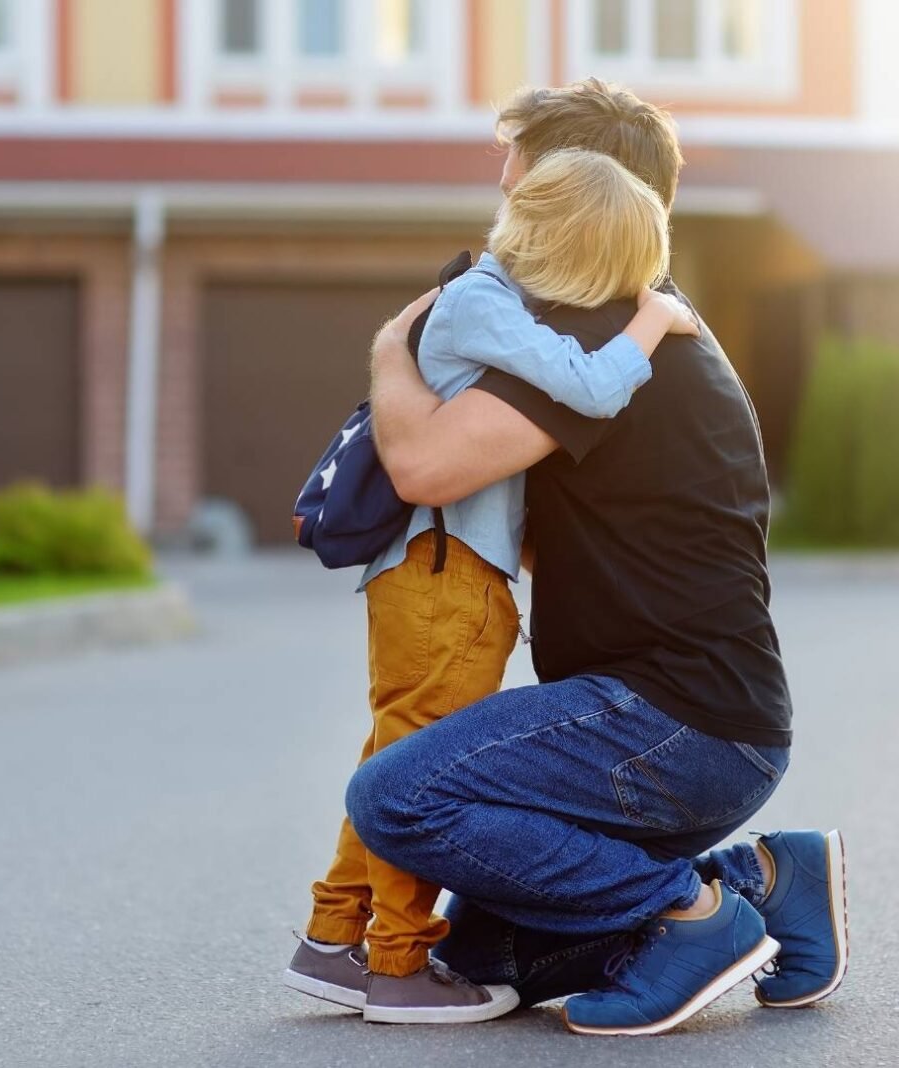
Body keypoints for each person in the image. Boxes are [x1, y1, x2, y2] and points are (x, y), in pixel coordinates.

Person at [340, 79, 849, 1036]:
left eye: (517, 167)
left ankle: (690, 915)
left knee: (397, 798)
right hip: (699, 727)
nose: (502, 186)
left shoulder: (595, 330)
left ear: (577, 184)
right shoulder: (637, 320)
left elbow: (422, 464)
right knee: (486, 954)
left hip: (670, 724)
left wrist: (392, 344)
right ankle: (768, 879)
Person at [285, 146, 701, 1024]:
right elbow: (591, 386)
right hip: (445, 577)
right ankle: (395, 961)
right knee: (416, 774)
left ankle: (333, 939)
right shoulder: (483, 301)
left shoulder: (483, 302)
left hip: (442, 575)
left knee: (394, 754)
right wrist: (654, 322)